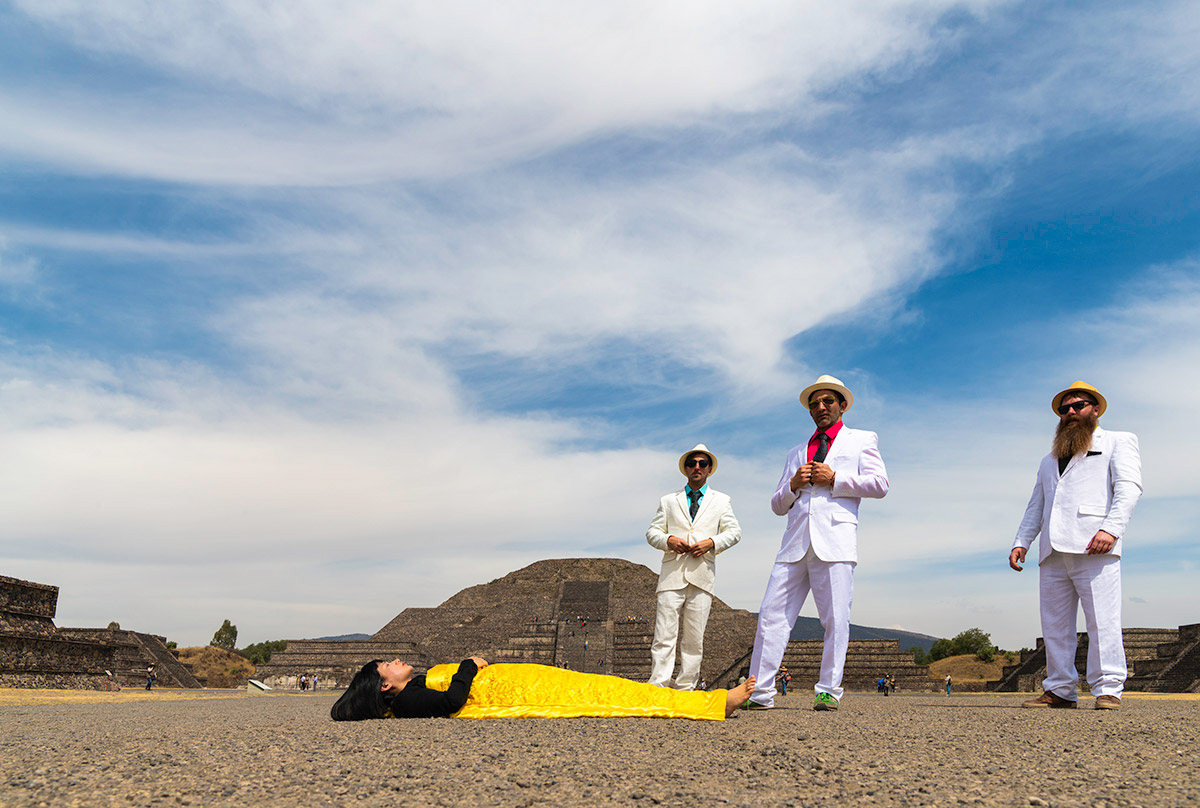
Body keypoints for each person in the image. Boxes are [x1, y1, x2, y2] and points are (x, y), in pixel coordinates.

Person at [747, 375, 889, 711]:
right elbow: (777, 504)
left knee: (835, 618)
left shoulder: (861, 440)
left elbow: (880, 484)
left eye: (827, 401)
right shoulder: (796, 452)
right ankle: (760, 692)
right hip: (794, 542)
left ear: (842, 405)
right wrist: (793, 485)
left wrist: (836, 478)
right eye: (815, 403)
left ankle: (828, 689)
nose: (820, 407)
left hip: (835, 539)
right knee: (770, 616)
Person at [1009, 381, 1142, 710]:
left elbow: (1129, 488)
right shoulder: (1048, 459)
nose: (1070, 412)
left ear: (1095, 409)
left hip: (1094, 544)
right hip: (1053, 551)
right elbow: (1036, 506)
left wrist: (1110, 529)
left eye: (1078, 405)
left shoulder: (1117, 441)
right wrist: (1022, 541)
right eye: (1064, 409)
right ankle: (1060, 689)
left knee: (1103, 620)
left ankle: (1108, 688)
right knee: (1054, 624)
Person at [330, 657, 757, 721]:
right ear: (386, 684)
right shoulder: (408, 700)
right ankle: (713, 704)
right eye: (391, 664)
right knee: (610, 695)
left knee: (606, 686)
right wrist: (466, 666)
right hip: (518, 692)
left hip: (519, 680)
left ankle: (711, 702)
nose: (400, 660)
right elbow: (452, 702)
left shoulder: (407, 691)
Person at [645, 444, 742, 690]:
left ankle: (686, 686)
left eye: (702, 463)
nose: (696, 467)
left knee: (694, 638)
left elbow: (734, 532)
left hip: (702, 575)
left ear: (709, 469)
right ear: (685, 469)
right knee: (663, 634)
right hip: (672, 575)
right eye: (692, 463)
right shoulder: (668, 500)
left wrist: (712, 542)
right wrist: (668, 540)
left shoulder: (722, 500)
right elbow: (652, 532)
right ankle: (658, 684)